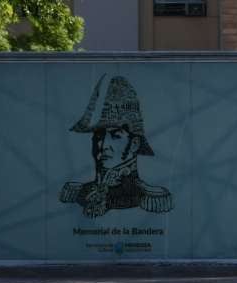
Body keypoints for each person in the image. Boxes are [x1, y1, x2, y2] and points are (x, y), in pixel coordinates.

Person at [60, 74, 173, 218]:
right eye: (99, 137)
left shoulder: (145, 196)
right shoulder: (80, 192)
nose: (103, 145)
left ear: (134, 144)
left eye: (115, 136)